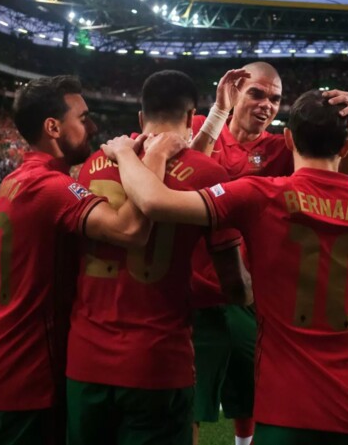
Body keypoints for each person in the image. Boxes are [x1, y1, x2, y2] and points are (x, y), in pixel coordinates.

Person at [102, 89, 348, 444]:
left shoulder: (259, 196)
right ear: (346, 147)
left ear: (287, 139)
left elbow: (152, 201)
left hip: (287, 413)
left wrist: (124, 154)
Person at [0, 75, 171, 445]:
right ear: (53, 127)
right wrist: (152, 155)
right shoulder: (51, 188)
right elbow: (130, 231)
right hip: (29, 374)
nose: (93, 127)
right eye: (83, 118)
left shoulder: (15, 180)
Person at [66, 70, 251, 445]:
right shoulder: (210, 175)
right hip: (158, 361)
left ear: (139, 117)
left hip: (86, 360)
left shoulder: (92, 166)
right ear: (189, 117)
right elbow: (234, 286)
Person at [188, 62, 348, 445]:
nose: (267, 105)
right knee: (189, 403)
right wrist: (215, 115)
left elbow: (338, 170)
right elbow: (179, 166)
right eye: (257, 94)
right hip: (193, 291)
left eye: (276, 99)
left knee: (253, 394)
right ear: (233, 91)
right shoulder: (202, 126)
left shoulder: (280, 147)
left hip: (250, 293)